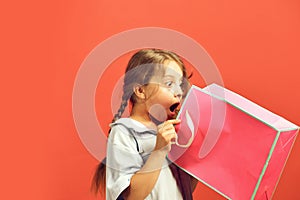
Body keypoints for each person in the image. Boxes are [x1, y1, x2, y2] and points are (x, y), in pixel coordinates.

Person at [91, 49, 198, 200]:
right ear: (141, 90)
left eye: (180, 85)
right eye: (169, 83)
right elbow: (131, 197)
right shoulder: (124, 132)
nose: (179, 92)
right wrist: (159, 151)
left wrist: (196, 159)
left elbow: (182, 190)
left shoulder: (171, 133)